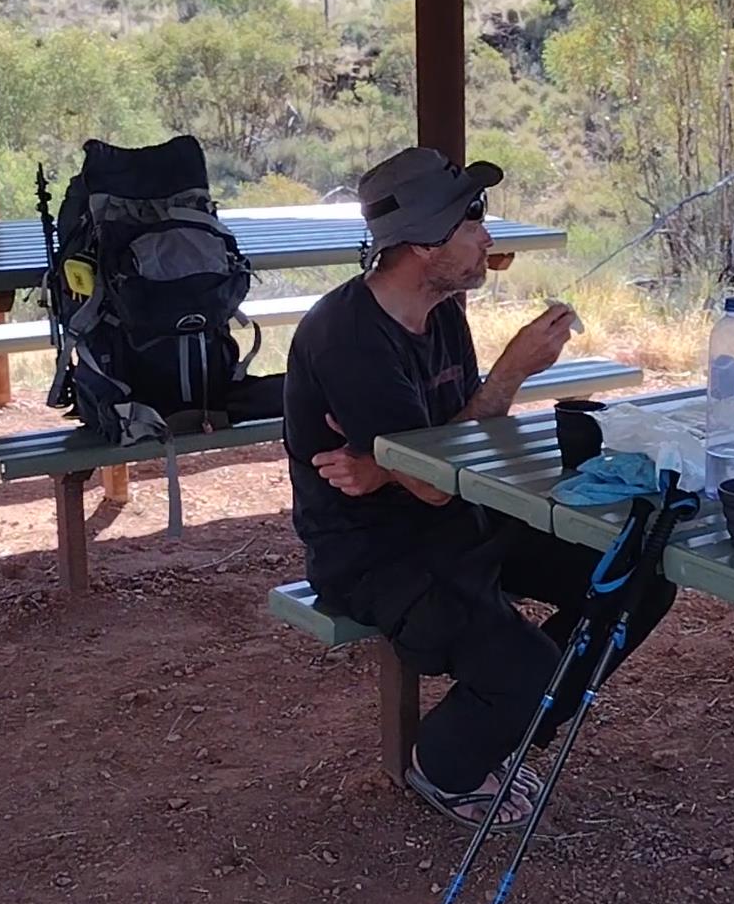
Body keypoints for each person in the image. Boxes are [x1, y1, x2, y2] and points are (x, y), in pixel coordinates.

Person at [283, 147, 676, 830]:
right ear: (422, 243)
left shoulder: (441, 312)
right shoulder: (350, 338)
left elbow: (457, 449)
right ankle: (444, 766)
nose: (486, 239)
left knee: (635, 581)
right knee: (528, 664)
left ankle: (509, 733)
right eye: (472, 223)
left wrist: (392, 460)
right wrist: (510, 375)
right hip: (373, 552)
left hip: (458, 518)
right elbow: (434, 483)